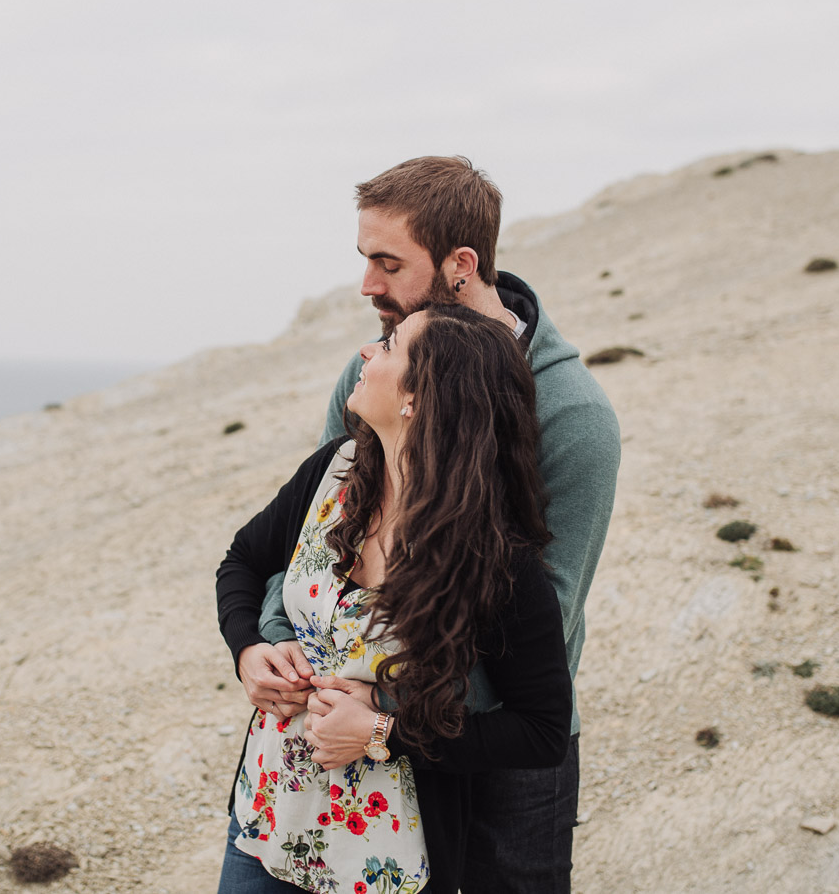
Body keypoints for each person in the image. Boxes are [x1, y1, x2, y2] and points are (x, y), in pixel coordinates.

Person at [240, 156, 621, 893]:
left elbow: (547, 606)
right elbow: (313, 540)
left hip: (497, 741)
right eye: (364, 260)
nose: (367, 286)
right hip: (344, 727)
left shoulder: (576, 417)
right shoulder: (367, 376)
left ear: (461, 264)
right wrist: (277, 645)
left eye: (388, 262)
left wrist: (386, 716)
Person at [215, 304, 572, 894]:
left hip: (389, 862)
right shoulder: (331, 474)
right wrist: (249, 649)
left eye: (387, 345)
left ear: (418, 397)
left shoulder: (490, 554)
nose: (366, 352)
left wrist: (383, 731)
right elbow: (244, 562)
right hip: (266, 817)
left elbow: (543, 729)